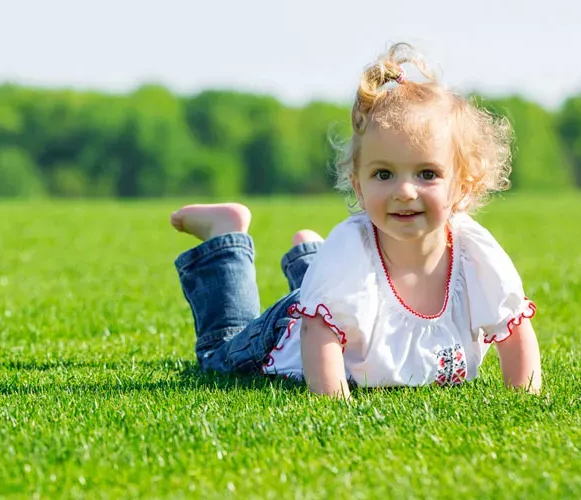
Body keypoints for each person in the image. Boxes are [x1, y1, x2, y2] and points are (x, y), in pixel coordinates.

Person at [170, 43, 542, 399]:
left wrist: (524, 398)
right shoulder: (352, 246)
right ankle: (225, 237)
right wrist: (334, 401)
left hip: (340, 294)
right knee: (219, 355)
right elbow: (319, 331)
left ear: (463, 185)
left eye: (427, 174)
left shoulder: (474, 253)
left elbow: (513, 328)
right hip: (295, 327)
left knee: (337, 283)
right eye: (383, 175)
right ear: (358, 186)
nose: (405, 192)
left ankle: (311, 257)